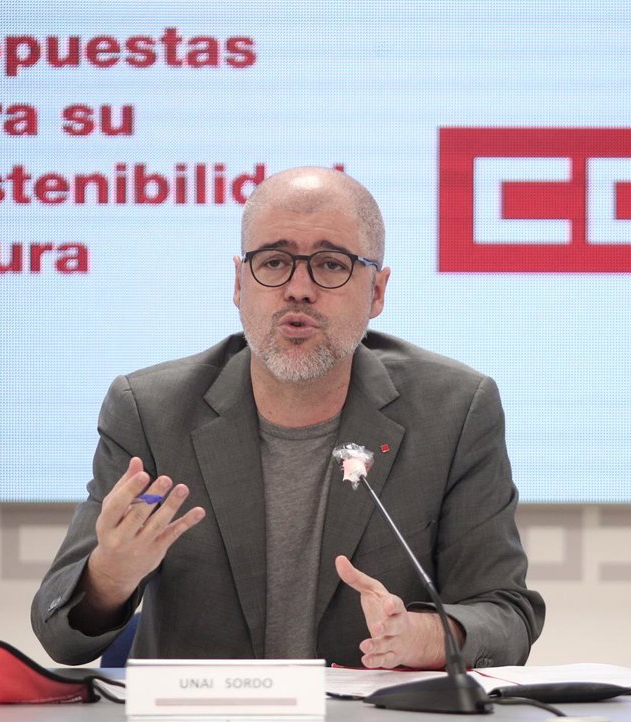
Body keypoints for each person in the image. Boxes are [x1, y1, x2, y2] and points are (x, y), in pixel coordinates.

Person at [32, 166, 544, 669]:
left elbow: (506, 614)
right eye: (274, 262)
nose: (299, 288)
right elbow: (60, 638)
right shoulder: (152, 412)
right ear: (239, 283)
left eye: (331, 264)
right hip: (203, 721)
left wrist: (424, 637)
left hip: (372, 720)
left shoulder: (453, 411)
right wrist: (111, 577)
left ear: (377, 292)